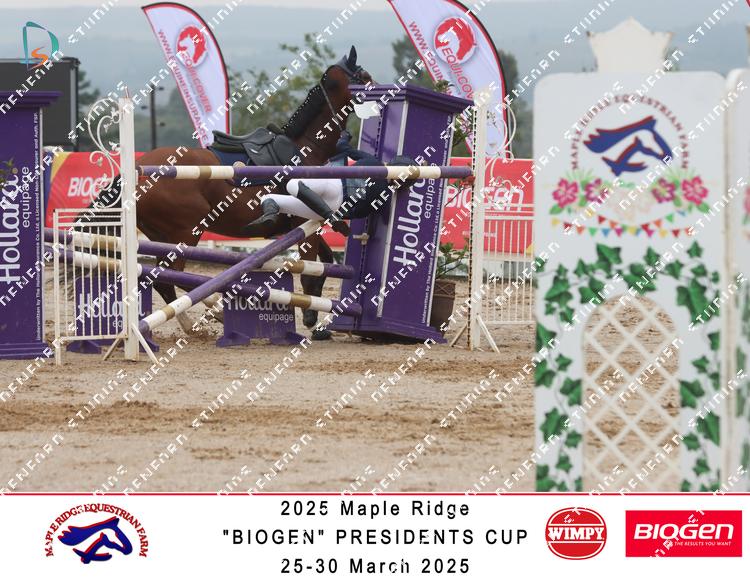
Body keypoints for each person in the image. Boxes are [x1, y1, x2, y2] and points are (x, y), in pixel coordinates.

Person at [248, 133, 416, 230]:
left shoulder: (374, 162)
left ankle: (331, 218)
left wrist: (344, 136)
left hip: (334, 188)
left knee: (293, 184)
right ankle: (271, 214)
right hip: (333, 210)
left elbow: (343, 147)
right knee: (269, 199)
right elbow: (373, 216)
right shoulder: (385, 196)